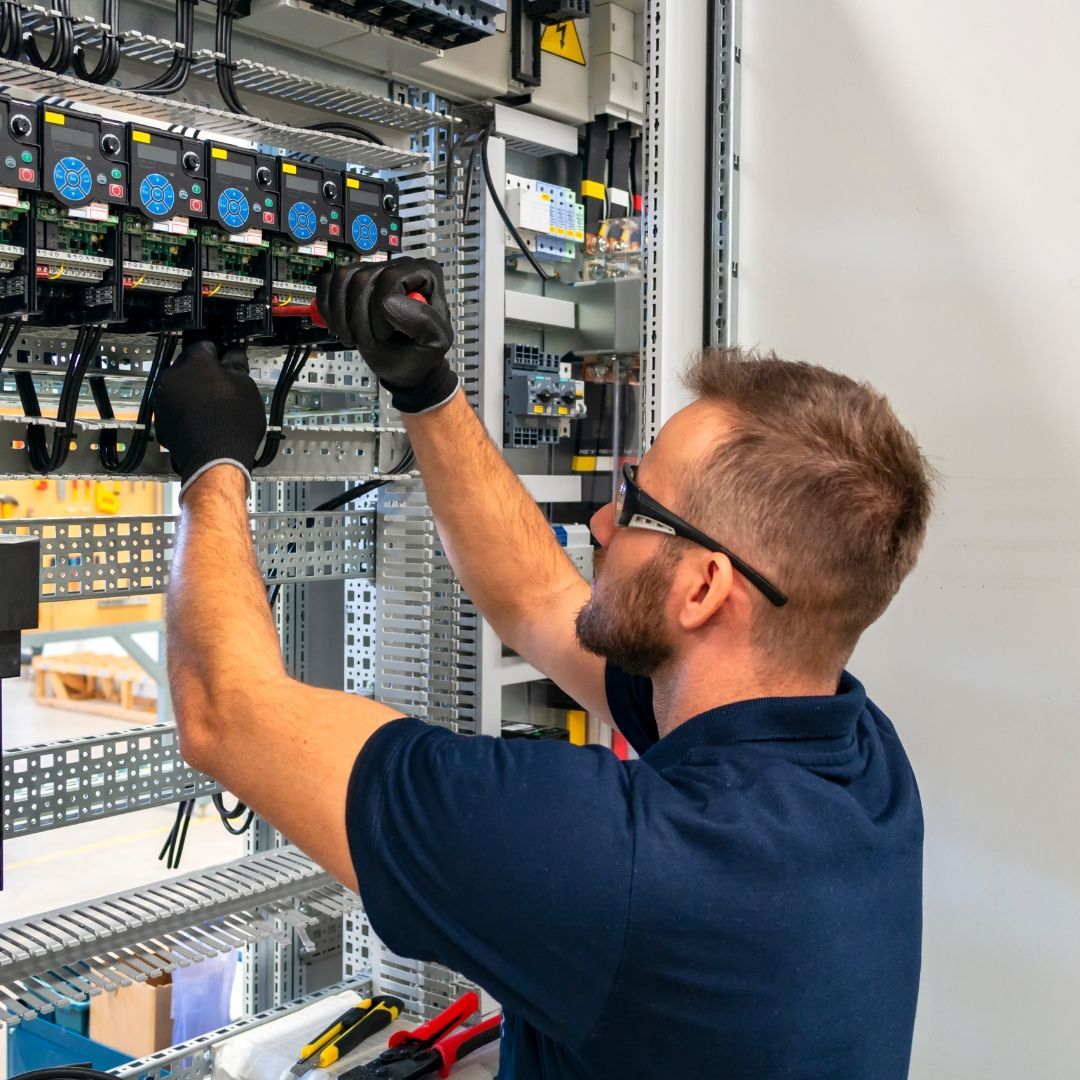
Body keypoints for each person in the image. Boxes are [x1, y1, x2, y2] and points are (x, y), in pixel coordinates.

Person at [154, 257, 935, 1079]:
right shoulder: (859, 760)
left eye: (638, 507)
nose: (601, 521)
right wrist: (425, 387)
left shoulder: (630, 866)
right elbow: (537, 599)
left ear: (705, 587)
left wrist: (212, 467)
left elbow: (222, 712)